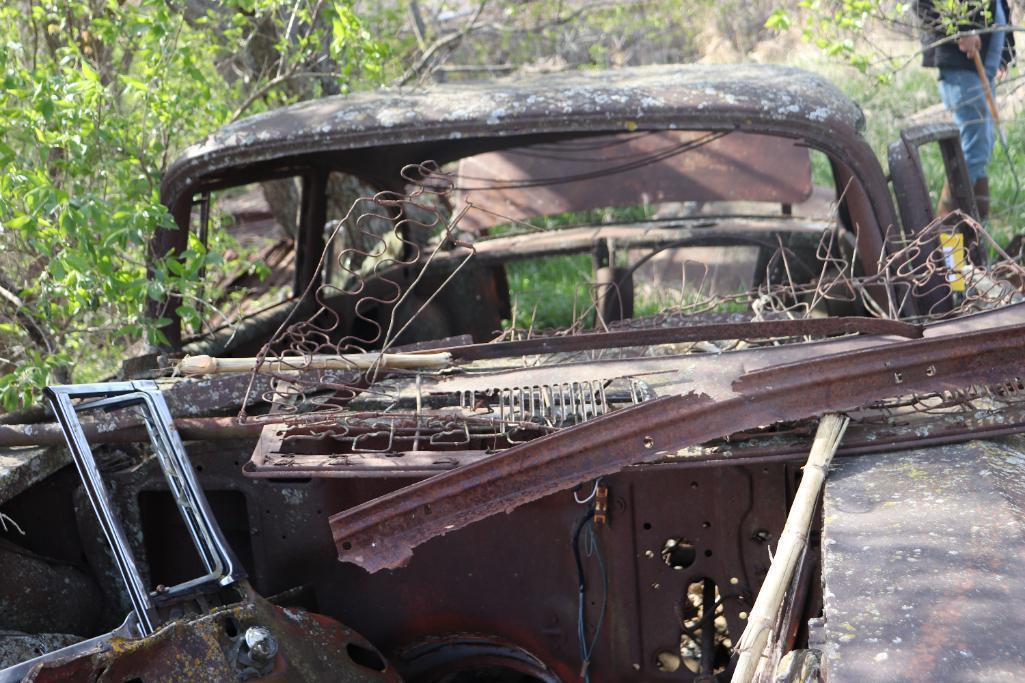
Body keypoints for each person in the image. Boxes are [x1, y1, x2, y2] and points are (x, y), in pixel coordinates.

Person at [916, 0, 1015, 221]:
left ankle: (975, 236)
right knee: (975, 148)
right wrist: (961, 32)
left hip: (983, 71)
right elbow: (922, 4)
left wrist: (1004, 53)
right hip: (962, 69)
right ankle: (946, 232)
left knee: (982, 149)